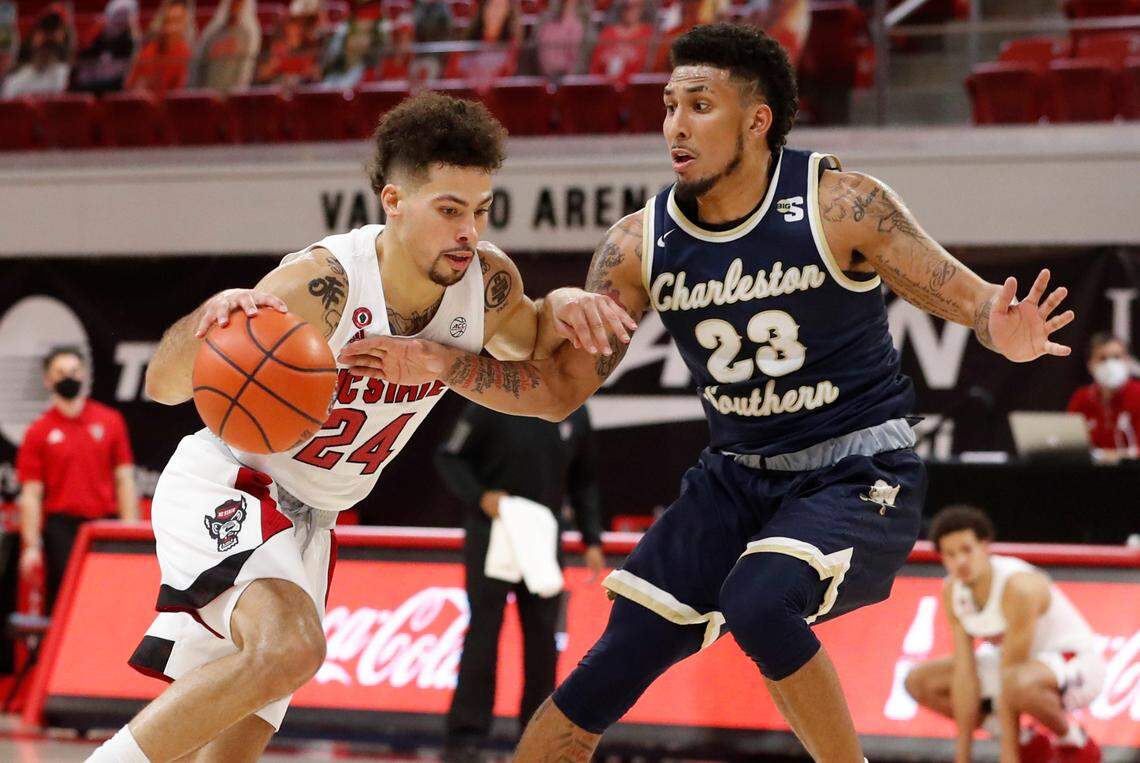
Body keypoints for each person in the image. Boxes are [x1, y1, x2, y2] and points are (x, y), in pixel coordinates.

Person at [340, 23, 1075, 762]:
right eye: (668, 105)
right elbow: (557, 390)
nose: (675, 126)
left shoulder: (839, 204)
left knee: (759, 599)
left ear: (757, 121)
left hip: (857, 472)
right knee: (600, 674)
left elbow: (967, 296)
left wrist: (996, 324)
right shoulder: (639, 244)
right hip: (734, 478)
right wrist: (440, 363)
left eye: (699, 104)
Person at [85, 92, 628, 763]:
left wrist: (563, 302)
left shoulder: (485, 285)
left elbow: (540, 346)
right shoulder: (322, 284)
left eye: (481, 210)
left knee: (231, 749)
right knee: (291, 646)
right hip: (233, 482)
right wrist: (214, 318)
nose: (469, 230)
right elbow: (162, 384)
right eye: (449, 210)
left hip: (314, 519)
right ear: (394, 201)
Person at [436, 403, 605, 760]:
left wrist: (591, 539)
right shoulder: (491, 400)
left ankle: (538, 732)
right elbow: (449, 456)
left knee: (544, 639)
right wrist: (480, 496)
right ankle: (466, 735)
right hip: (492, 531)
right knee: (484, 632)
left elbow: (584, 478)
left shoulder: (573, 410)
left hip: (544, 535)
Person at [905, 506, 1104, 763]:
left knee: (1016, 683)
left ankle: (1074, 741)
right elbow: (965, 676)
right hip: (1015, 668)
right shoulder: (952, 589)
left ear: (985, 546)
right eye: (951, 554)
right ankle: (1027, 742)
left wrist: (1008, 758)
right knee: (919, 681)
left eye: (967, 550)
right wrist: (962, 757)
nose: (961, 561)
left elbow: (1009, 679)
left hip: (1076, 664)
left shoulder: (1018, 587)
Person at [16, 348, 138, 615]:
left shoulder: (109, 420)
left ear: (83, 374)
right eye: (60, 373)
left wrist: (130, 530)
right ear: (48, 380)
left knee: (107, 596)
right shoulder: (39, 431)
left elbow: (124, 479)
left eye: (73, 371)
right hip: (61, 528)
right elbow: (31, 494)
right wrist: (31, 546)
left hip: (105, 522)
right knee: (65, 599)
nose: (68, 377)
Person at [1066, 331, 1140, 455]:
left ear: (1127, 361)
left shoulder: (1138, 394)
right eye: (1102, 358)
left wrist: (1108, 456)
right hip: (1092, 472)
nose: (1110, 364)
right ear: (1090, 365)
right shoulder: (1081, 398)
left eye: (1117, 357)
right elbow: (1069, 444)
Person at [1, 5, 71, 99]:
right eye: (45, 29)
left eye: (53, 29)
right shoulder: (15, 80)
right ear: (33, 36)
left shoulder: (72, 78)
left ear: (65, 36)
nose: (48, 36)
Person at [69, 0, 138, 95]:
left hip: (114, 91)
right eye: (118, 15)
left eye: (125, 15)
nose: (121, 19)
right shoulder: (96, 40)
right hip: (88, 87)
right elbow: (79, 66)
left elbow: (125, 74)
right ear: (109, 17)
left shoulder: (131, 43)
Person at [126, 0, 193, 96]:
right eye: (168, 21)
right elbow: (131, 86)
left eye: (177, 21)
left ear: (186, 23)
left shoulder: (187, 53)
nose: (171, 28)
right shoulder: (148, 50)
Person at [191, 0, 261, 92]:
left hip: (233, 97)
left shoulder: (249, 36)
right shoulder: (212, 35)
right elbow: (198, 65)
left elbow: (247, 70)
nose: (235, 8)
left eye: (239, 4)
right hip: (207, 93)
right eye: (233, 4)